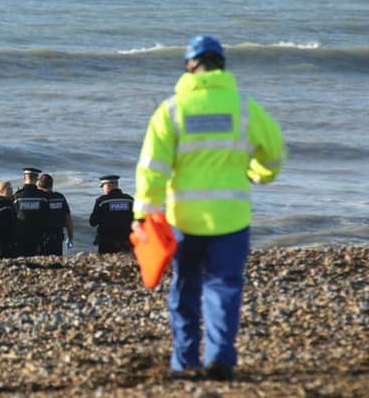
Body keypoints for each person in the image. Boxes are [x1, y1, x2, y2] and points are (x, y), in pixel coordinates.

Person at [132, 35, 287, 380]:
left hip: (183, 220)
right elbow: (274, 154)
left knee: (185, 288)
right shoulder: (244, 107)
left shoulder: (171, 110)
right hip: (231, 220)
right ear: (223, 65)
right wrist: (256, 174)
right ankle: (219, 359)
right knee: (223, 288)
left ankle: (185, 361)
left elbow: (151, 168)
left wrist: (144, 214)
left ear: (190, 66)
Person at [89, 175, 134, 254]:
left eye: (103, 186)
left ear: (108, 185)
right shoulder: (129, 200)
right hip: (126, 239)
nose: (103, 189)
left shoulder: (102, 201)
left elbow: (93, 222)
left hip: (106, 241)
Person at [13, 167, 49, 257]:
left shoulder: (17, 196)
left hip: (20, 236)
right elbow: (46, 215)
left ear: (24, 178)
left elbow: (13, 215)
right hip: (38, 235)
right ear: (37, 179)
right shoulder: (42, 196)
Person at [37, 173, 73, 255]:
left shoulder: (38, 197)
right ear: (52, 185)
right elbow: (68, 218)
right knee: (57, 260)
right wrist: (70, 236)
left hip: (42, 236)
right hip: (58, 236)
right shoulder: (60, 197)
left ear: (38, 184)